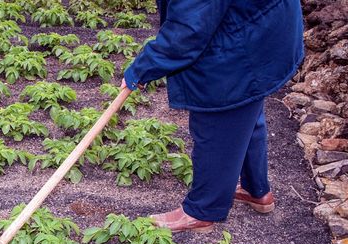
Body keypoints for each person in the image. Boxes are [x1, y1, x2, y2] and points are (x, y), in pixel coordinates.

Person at [122, 0, 304, 232]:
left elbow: (188, 29)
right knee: (244, 107)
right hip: (263, 26)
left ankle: (202, 210)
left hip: (251, 35)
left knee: (219, 112)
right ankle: (255, 189)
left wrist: (142, 68)